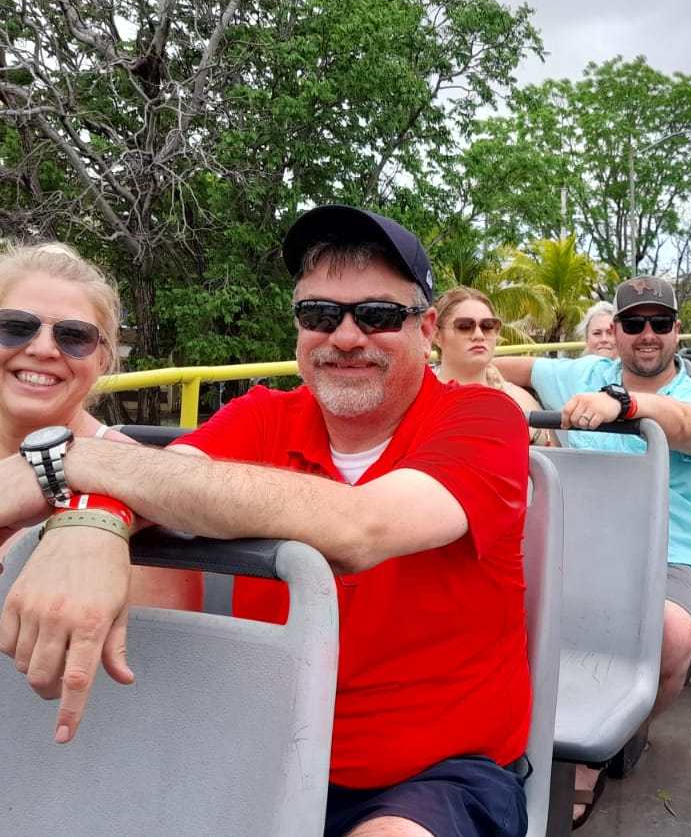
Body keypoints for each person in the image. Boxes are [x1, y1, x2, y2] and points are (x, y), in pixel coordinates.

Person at [0, 206, 533, 837]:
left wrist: (69, 462)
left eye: (377, 315)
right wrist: (88, 523)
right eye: (319, 315)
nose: (345, 336)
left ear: (424, 331)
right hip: (255, 753)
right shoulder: (262, 415)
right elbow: (156, 481)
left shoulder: (483, 419)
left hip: (432, 776)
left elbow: (363, 527)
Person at [494, 275, 691, 826]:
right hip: (572, 547)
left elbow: (687, 424)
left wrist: (623, 406)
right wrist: (511, 394)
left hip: (669, 557)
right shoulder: (582, 374)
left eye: (659, 324)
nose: (646, 334)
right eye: (633, 324)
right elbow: (511, 369)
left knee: (671, 637)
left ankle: (603, 747)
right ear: (618, 332)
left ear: (678, 331)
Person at [0, 244, 199, 609]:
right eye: (14, 327)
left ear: (103, 359)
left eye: (74, 336)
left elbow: (166, 648)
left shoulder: (138, 480)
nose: (43, 349)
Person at [432, 285, 554, 446]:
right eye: (464, 327)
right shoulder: (415, 394)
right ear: (437, 335)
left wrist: (534, 435)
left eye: (488, 326)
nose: (478, 335)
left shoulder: (518, 399)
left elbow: (553, 461)